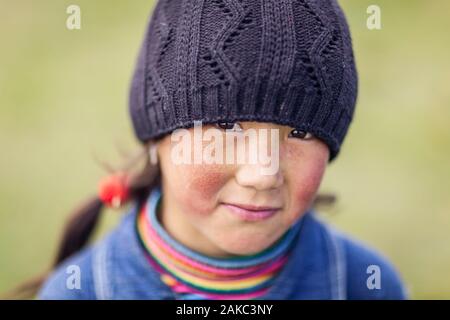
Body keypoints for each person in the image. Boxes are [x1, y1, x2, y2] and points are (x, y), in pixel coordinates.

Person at [17, 0, 409, 299]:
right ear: (158, 135)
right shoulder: (84, 291)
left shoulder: (363, 284)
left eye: (301, 132)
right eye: (226, 126)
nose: (262, 174)